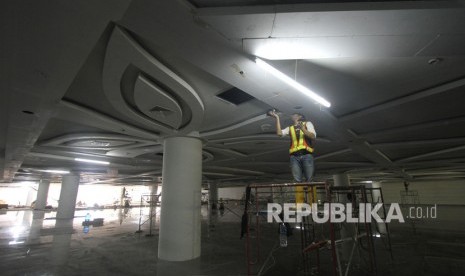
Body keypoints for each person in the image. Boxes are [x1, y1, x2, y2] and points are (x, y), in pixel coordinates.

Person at [270, 110, 316, 203]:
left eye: (295, 114)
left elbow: (313, 136)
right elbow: (279, 133)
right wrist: (277, 118)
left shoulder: (308, 124)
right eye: (292, 114)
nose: (292, 115)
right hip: (294, 156)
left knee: (309, 180)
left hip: (307, 154)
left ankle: (312, 204)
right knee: (297, 180)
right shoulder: (290, 128)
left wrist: (302, 128)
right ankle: (299, 204)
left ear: (299, 116)